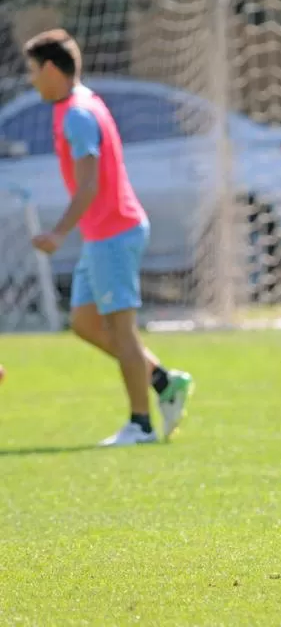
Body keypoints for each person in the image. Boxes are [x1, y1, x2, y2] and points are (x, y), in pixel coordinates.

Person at [24, 29, 194, 446]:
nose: (31, 82)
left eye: (32, 72)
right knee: (84, 322)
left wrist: (58, 233)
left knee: (122, 331)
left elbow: (89, 185)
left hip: (114, 233)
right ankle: (161, 380)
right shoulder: (80, 104)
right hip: (102, 234)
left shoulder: (78, 114)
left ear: (50, 68)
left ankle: (141, 425)